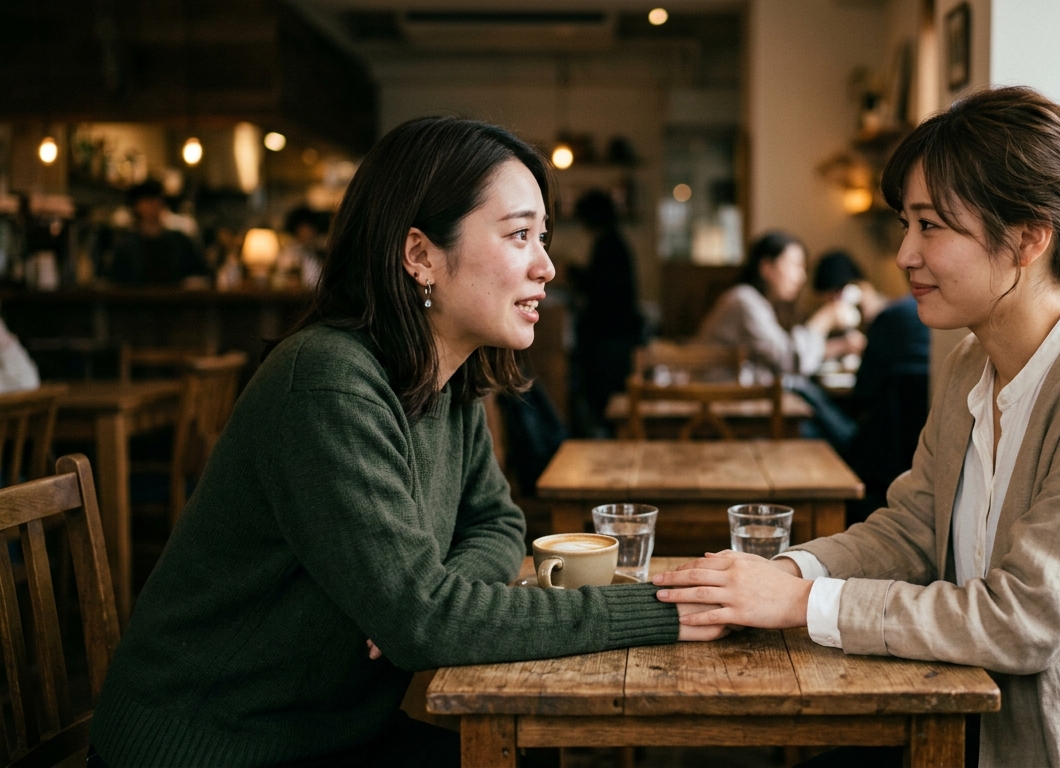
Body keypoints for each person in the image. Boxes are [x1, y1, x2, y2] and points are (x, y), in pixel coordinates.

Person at [656, 87, 1060, 767]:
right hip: (997, 723)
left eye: (930, 226)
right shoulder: (974, 362)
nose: (904, 255)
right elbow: (913, 530)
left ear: (1029, 238)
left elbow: (1026, 621)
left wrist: (802, 601)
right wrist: (780, 571)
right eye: (905, 225)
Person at [88, 118, 723, 768]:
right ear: (419, 255)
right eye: (519, 235)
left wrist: (429, 598)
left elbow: (497, 524)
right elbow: (429, 625)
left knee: (532, 753)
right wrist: (668, 608)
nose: (547, 264)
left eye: (544, 236)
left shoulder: (446, 373)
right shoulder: (330, 383)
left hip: (326, 732)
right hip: (213, 746)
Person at [694, 232, 864, 450]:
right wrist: (824, 319)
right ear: (767, 267)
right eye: (795, 265)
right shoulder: (743, 300)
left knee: (820, 421)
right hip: (726, 416)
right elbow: (789, 360)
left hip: (744, 409)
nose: (801, 277)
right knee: (823, 436)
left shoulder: (758, 303)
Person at [845, 293, 929, 523]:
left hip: (878, 460)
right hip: (922, 460)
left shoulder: (891, 316)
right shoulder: (952, 329)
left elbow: (862, 392)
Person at [567, 189, 643, 436]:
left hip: (610, 337)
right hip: (616, 333)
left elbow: (601, 288)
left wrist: (574, 274)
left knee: (606, 400)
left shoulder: (609, 244)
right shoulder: (613, 241)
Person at [106, 180, 210, 285]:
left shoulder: (180, 241)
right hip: (138, 300)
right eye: (148, 200)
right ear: (137, 206)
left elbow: (199, 274)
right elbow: (116, 282)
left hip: (175, 300)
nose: (154, 205)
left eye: (157, 199)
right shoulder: (126, 246)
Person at [281, 206, 327, 288]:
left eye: (310, 228)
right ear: (296, 229)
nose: (307, 232)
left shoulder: (319, 252)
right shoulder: (288, 253)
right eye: (303, 228)